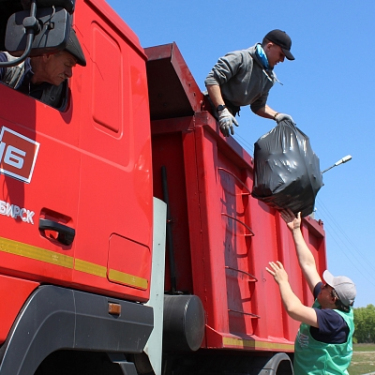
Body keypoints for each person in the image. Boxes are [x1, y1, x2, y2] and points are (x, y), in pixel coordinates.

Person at [266, 209, 356, 374]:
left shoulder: (333, 320)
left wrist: (283, 282)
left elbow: (294, 309)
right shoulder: (327, 303)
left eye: (327, 286)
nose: (322, 285)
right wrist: (295, 230)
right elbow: (308, 265)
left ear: (333, 298)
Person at [205, 29, 295, 137]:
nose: (282, 60)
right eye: (281, 54)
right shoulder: (240, 58)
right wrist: (222, 110)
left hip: (227, 117)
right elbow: (212, 80)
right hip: (207, 106)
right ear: (270, 46)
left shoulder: (269, 78)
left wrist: (277, 115)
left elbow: (258, 106)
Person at [0, 28, 86, 109]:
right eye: (67, 64)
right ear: (47, 55)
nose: (69, 74)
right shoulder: (6, 63)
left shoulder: (58, 93)